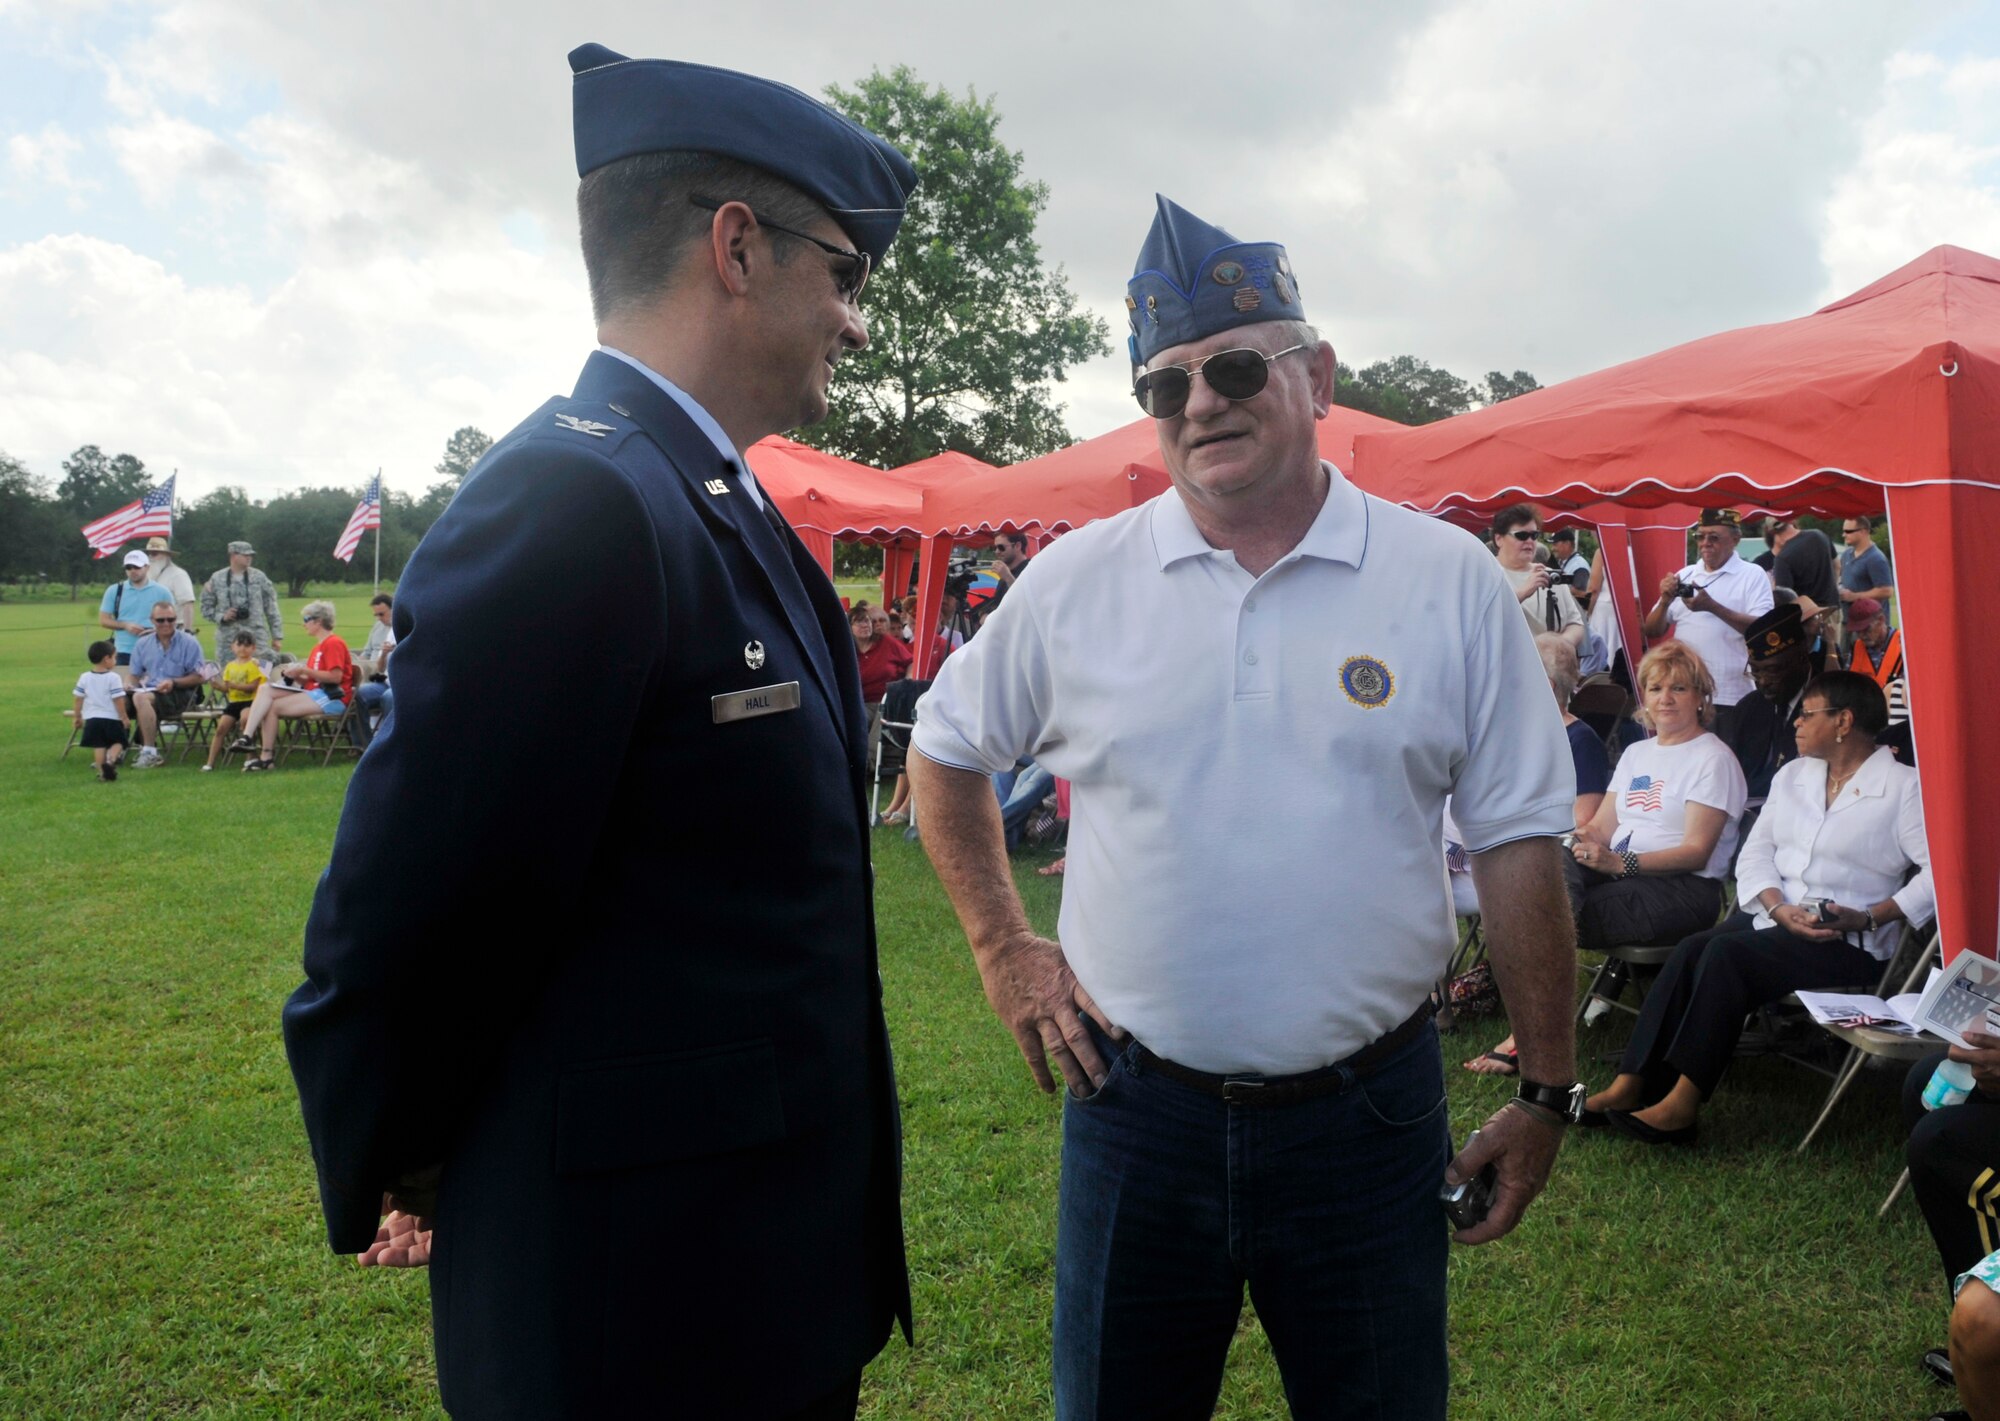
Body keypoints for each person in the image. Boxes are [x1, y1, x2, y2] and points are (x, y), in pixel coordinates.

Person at [280, 45, 917, 1419]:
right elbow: (416, 901)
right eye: (845, 275)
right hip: (637, 1307)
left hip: (747, 1274)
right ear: (738, 248)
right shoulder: (579, 502)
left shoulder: (717, 504)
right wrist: (408, 1148)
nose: (857, 323)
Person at [908, 194, 1582, 1420]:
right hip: (1136, 1113)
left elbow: (1519, 842)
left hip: (1370, 1119)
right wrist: (1005, 944)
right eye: (1162, 388)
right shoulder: (1076, 584)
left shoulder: (1445, 583)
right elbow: (944, 748)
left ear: (1315, 375)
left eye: (1228, 367)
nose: (1198, 403)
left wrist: (1543, 1089)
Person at [1586, 670, 1931, 1145]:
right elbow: (1756, 853)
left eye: (1808, 714)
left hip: (1847, 937)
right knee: (1691, 950)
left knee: (1728, 957)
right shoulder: (1793, 775)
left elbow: (1939, 877)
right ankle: (1632, 1081)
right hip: (1775, 915)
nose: (1796, 724)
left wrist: (1873, 914)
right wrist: (1774, 903)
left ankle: (1683, 1103)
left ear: (1844, 721)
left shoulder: (1902, 787)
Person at [1566, 641, 1749, 1019]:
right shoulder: (1638, 753)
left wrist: (1620, 863)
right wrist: (1575, 842)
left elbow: (1696, 851)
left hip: (1680, 891)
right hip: (1615, 875)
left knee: (1547, 914)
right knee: (1545, 865)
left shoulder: (1712, 759)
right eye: (1655, 688)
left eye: (1678, 688)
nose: (1665, 698)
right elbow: (1600, 827)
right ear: (1644, 697)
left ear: (1700, 696)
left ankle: (1532, 1025)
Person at [1465, 632, 1612, 1076]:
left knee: (1529, 871)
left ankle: (1524, 1035)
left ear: (1547, 687)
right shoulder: (1520, 735)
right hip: (1507, 843)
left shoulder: (1579, 740)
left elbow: (1583, 818)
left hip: (1563, 850)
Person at [1640, 507, 1773, 744]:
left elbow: (1764, 629)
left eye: (1714, 537)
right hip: (1685, 693)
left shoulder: (1752, 575)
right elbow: (1652, 630)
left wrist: (1712, 607)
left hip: (1729, 694)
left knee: (1724, 763)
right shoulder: (1686, 574)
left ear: (1735, 540)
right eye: (1700, 537)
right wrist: (1664, 600)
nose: (1705, 543)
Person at [232, 600, 352, 772]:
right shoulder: (317, 648)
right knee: (268, 697)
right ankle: (263, 755)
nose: (303, 624)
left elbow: (335, 677)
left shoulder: (334, 643)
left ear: (318, 621)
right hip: (316, 693)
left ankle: (249, 739)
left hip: (333, 698)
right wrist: (297, 676)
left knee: (269, 698)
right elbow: (312, 681)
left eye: (306, 619)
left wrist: (304, 670)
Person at [127, 600, 208, 768]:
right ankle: (113, 750)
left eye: (170, 620)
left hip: (181, 692)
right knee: (117, 699)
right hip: (151, 690)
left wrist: (173, 682)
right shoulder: (142, 643)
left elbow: (200, 676)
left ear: (176, 619)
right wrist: (129, 685)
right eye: (161, 620)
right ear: (152, 620)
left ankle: (149, 752)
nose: (166, 624)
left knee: (141, 699)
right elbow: (134, 674)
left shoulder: (189, 642)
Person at [1492, 504, 1585, 651]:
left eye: (1534, 535)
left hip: (1551, 668)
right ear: (1499, 539)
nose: (1529, 541)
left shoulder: (1551, 574)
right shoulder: (1488, 574)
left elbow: (1576, 623)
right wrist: (1522, 593)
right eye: (1521, 535)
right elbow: (1482, 618)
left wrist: (1557, 646)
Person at [199, 541, 283, 663]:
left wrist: (277, 636)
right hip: (228, 640)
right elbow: (205, 608)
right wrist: (222, 617)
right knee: (228, 676)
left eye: (251, 555)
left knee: (261, 675)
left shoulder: (259, 577)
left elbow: (272, 608)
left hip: (256, 638)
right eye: (245, 555)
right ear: (233, 556)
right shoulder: (217, 578)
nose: (249, 558)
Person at [98, 550, 173, 676]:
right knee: (124, 690)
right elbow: (104, 620)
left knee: (154, 689)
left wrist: (156, 630)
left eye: (137, 567)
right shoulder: (114, 591)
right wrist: (125, 625)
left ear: (147, 567)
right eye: (128, 567)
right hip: (123, 651)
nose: (133, 571)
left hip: (156, 649)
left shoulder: (163, 592)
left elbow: (172, 621)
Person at [203, 632, 267, 772]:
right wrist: (217, 686)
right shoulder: (230, 666)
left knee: (245, 721)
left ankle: (250, 757)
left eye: (247, 645)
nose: (242, 648)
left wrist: (234, 685)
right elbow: (227, 688)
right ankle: (210, 762)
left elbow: (252, 687)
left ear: (253, 648)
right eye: (239, 645)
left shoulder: (255, 664)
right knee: (221, 729)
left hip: (250, 701)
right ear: (232, 647)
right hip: (234, 702)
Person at [72, 640, 131, 781]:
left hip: (92, 718)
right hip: (111, 717)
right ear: (107, 659)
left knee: (99, 746)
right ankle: (110, 761)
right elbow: (118, 699)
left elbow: (78, 698)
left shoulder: (84, 677)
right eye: (114, 657)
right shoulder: (114, 677)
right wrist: (124, 717)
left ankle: (102, 773)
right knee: (119, 742)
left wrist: (77, 716)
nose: (115, 660)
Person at [350, 593, 396, 749]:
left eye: (381, 614)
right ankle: (364, 746)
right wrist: (383, 654)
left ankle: (390, 744)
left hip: (401, 684)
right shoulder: (384, 629)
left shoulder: (406, 628)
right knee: (356, 695)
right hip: (384, 680)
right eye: (376, 615)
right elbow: (381, 667)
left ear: (394, 609)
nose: (379, 618)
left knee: (389, 697)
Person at [1766, 518, 1839, 610]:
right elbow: (1837, 565)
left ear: (1771, 532)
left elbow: (1784, 598)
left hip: (1809, 616)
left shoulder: (1782, 558)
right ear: (1791, 521)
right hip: (1832, 609)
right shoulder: (1819, 535)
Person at [1838, 514, 1897, 627]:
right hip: (1849, 621)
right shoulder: (1846, 554)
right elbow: (1844, 579)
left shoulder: (1876, 558)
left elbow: (1887, 591)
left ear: (1863, 532)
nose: (1844, 535)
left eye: (1848, 531)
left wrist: (1854, 597)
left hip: (1870, 625)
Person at [143, 535, 198, 633]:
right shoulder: (147, 575)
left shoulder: (178, 574)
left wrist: (187, 631)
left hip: (174, 628)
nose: (151, 557)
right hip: (152, 629)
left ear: (166, 555)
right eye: (149, 553)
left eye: (155, 553)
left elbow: (188, 604)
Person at [1550, 527, 1590, 591]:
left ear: (1567, 544)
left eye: (1555, 544)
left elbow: (1580, 594)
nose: (1552, 549)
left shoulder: (1579, 566)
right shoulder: (1561, 562)